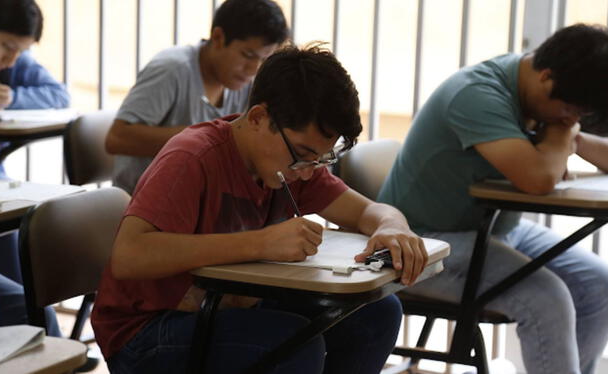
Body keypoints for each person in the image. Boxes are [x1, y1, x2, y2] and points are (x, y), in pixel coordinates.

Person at [91, 43, 429, 374]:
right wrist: (261, 242)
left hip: (225, 307)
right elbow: (129, 255)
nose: (310, 170)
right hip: (146, 330)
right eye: (303, 153)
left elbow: (370, 212)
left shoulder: (293, 164)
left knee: (377, 313)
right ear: (258, 117)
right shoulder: (192, 158)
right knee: (294, 345)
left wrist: (392, 227)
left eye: (321, 159)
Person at [378, 24, 608, 374]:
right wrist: (563, 132)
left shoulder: (556, 98)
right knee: (548, 300)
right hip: (425, 245)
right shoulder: (478, 94)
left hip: (495, 230)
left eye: (580, 116)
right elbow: (538, 179)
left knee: (602, 286)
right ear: (546, 76)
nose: (574, 119)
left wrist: (571, 135)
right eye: (572, 111)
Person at [105, 0, 289, 195]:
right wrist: (203, 139)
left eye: (263, 59)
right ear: (218, 37)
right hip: (143, 201)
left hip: (200, 200)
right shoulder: (172, 70)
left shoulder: (246, 81)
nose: (253, 69)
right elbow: (117, 138)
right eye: (247, 55)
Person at [0, 0, 68, 341]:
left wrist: (12, 99)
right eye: (7, 47)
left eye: (18, 52)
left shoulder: (9, 66)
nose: (11, 60)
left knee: (37, 311)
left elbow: (57, 93)